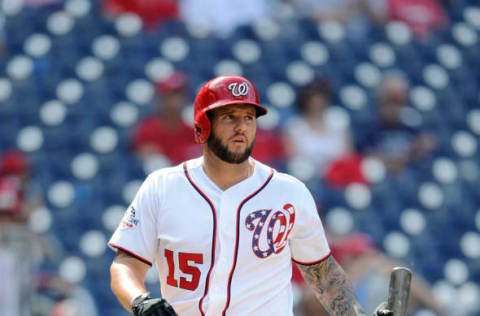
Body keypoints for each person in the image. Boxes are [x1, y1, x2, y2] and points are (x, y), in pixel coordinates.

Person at [109, 75, 391, 316]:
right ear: (202, 126)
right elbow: (125, 264)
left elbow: (324, 275)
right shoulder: (162, 187)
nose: (241, 126)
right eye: (229, 116)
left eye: (248, 117)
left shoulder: (289, 192)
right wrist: (139, 301)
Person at [356, 72, 436, 174]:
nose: (395, 105)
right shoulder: (366, 126)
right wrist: (407, 156)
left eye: (399, 99)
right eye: (391, 98)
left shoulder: (412, 126)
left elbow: (424, 148)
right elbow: (366, 157)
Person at [284, 78, 354, 179]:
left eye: (320, 98)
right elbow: (294, 161)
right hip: (307, 178)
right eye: (313, 99)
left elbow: (348, 156)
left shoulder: (339, 123)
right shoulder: (294, 127)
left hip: (337, 177)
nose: (317, 103)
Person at [0, 149, 42, 316]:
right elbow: (13, 210)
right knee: (10, 301)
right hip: (6, 248)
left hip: (17, 249)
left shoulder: (18, 187)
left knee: (19, 299)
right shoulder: (9, 184)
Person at [131, 71, 201, 166]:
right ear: (160, 98)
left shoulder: (196, 130)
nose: (175, 101)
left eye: (179, 95)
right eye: (169, 95)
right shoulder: (146, 130)